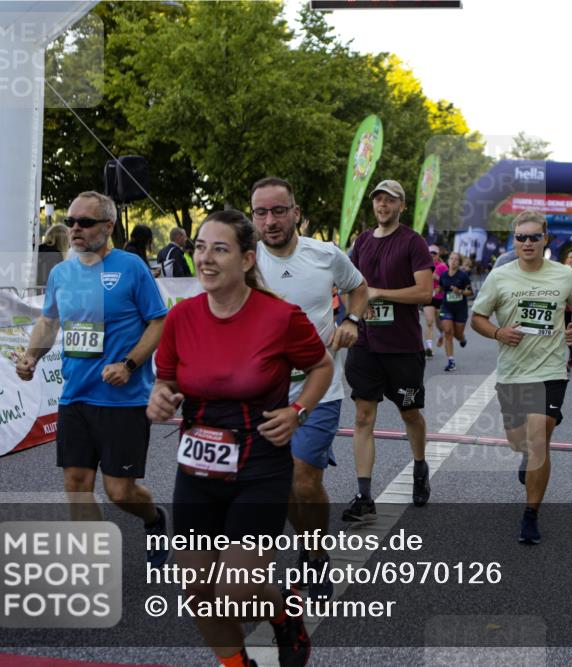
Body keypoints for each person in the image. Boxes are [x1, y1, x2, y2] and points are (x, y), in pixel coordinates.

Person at [147, 209, 332, 667]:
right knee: (195, 590)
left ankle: (285, 613)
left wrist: (297, 411)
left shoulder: (280, 316)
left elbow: (321, 367)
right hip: (196, 470)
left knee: (236, 591)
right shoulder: (182, 317)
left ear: (248, 259)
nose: (205, 259)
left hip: (259, 467)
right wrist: (161, 396)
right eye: (200, 248)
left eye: (220, 249)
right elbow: (166, 379)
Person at [15, 191, 169, 566]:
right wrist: (32, 357)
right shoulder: (62, 272)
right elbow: (49, 321)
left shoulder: (131, 267)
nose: (75, 230)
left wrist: (129, 365)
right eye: (70, 222)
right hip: (75, 398)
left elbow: (159, 322)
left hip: (124, 400)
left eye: (84, 222)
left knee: (120, 492)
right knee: (77, 486)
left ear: (109, 226)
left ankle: (154, 519)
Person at [251, 176, 368, 601]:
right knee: (277, 483)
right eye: (261, 212)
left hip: (318, 386)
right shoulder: (244, 260)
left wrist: (351, 321)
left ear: (296, 213)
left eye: (279, 210)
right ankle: (303, 542)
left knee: (303, 477)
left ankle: (315, 556)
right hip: (261, 393)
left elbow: (358, 288)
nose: (270, 220)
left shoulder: (325, 255)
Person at [470, 211, 572, 544]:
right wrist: (497, 332)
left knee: (539, 439)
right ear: (514, 239)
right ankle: (523, 453)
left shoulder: (565, 275)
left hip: (551, 369)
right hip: (513, 372)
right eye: (520, 237)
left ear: (545, 239)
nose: (526, 243)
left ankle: (530, 515)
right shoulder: (500, 277)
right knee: (518, 440)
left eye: (533, 237)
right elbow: (477, 318)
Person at [343, 179, 434, 521]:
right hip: (366, 347)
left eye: (390, 200)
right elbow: (351, 285)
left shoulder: (413, 242)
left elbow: (425, 292)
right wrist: (356, 308)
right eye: (378, 200)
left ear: (401, 206)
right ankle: (364, 495)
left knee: (409, 412)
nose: (382, 205)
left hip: (403, 350)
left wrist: (380, 292)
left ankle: (420, 466)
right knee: (363, 417)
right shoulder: (362, 241)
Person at [437, 251, 472, 372]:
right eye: (451, 259)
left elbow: (470, 292)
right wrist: (435, 292)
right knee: (448, 332)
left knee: (458, 334)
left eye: (456, 259)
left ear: (459, 262)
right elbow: (441, 288)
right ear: (448, 261)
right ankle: (451, 361)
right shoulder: (444, 275)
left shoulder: (463, 276)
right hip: (447, 307)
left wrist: (460, 291)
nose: (453, 261)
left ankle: (462, 339)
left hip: (460, 309)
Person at [423, 244, 447, 359]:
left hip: (440, 298)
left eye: (434, 254)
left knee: (439, 323)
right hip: (428, 297)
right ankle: (429, 348)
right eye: (430, 254)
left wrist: (435, 277)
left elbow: (447, 281)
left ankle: (442, 334)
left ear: (438, 255)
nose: (432, 256)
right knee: (429, 322)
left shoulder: (442, 266)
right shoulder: (422, 266)